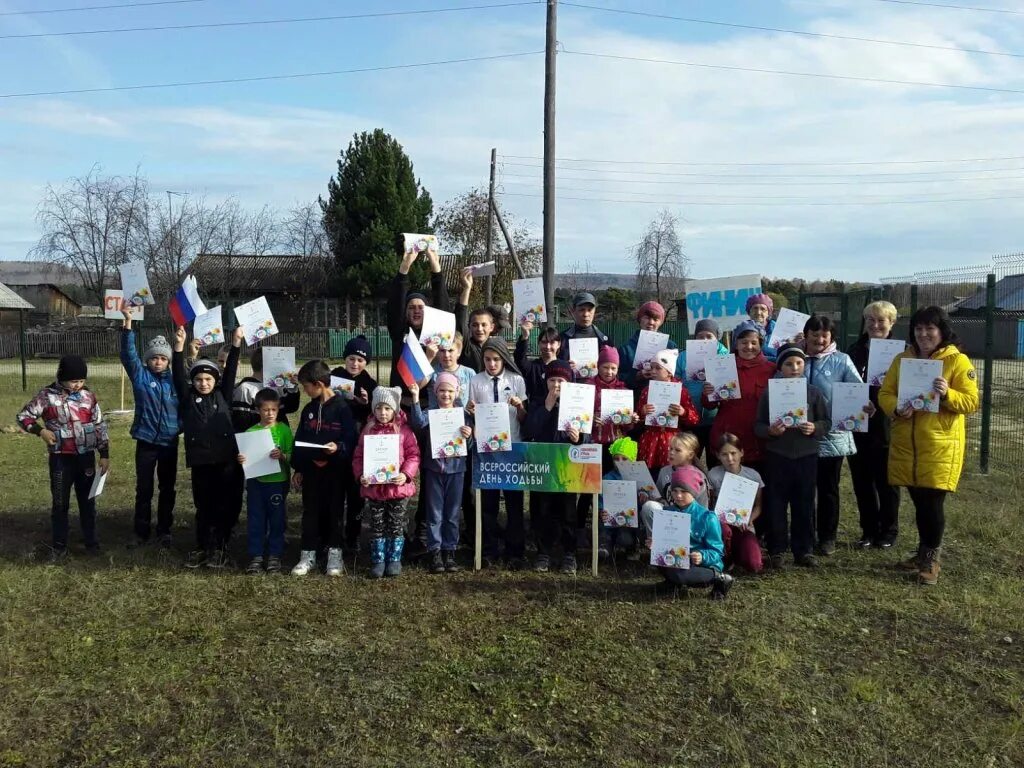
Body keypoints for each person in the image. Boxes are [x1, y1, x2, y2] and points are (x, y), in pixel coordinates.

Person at [878, 305, 978, 586]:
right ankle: (923, 552)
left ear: (942, 331)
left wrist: (947, 394)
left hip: (939, 444)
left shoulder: (958, 362)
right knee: (919, 501)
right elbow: (886, 393)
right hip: (906, 443)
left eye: (929, 329)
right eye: (919, 329)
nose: (923, 334)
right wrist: (896, 408)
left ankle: (931, 559)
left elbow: (971, 402)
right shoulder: (902, 359)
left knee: (932, 503)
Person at [17, 355, 109, 563]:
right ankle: (59, 546)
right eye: (73, 381)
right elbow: (24, 417)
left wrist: (104, 454)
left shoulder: (88, 397)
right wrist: (40, 431)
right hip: (61, 459)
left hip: (85, 457)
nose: (77, 385)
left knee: (88, 502)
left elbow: (100, 425)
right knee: (60, 504)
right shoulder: (47, 396)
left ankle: (91, 543)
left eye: (81, 381)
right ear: (62, 377)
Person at [172, 325, 243, 569]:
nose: (203, 383)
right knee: (204, 506)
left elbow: (231, 370)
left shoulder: (224, 394)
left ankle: (220, 548)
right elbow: (178, 377)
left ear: (216, 380)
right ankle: (203, 546)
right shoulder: (188, 397)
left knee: (224, 504)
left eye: (208, 379)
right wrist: (179, 348)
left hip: (226, 461)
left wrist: (235, 344)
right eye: (199, 379)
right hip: (201, 462)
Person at [754, 345, 831, 569]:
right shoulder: (770, 392)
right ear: (780, 367)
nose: (794, 368)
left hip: (807, 456)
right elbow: (758, 425)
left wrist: (814, 427)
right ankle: (777, 549)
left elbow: (826, 422)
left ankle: (803, 550)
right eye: (788, 364)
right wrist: (770, 431)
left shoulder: (814, 392)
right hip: (778, 456)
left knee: (804, 503)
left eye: (799, 363)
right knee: (776, 504)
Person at [802, 315, 865, 556]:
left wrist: (863, 406)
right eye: (814, 334)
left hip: (832, 436)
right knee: (805, 490)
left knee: (828, 488)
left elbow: (857, 392)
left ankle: (827, 537)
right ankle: (806, 534)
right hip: (801, 437)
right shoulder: (796, 359)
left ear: (831, 337)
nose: (819, 339)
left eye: (824, 335)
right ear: (806, 335)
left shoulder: (842, 361)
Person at [290, 360, 358, 578]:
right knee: (310, 512)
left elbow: (351, 439)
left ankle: (334, 554)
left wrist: (338, 447)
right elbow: (300, 439)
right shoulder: (308, 409)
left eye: (306, 387)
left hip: (336, 471)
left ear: (318, 384)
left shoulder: (342, 409)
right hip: (311, 471)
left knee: (335, 512)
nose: (305, 391)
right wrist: (298, 468)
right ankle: (308, 554)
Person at [119, 307, 179, 548]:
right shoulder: (140, 376)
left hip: (169, 442)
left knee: (167, 488)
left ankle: (164, 529)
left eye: (163, 358)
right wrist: (128, 322)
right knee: (144, 488)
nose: (158, 362)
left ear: (168, 361)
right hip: (146, 441)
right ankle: (140, 530)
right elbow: (128, 354)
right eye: (154, 357)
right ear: (148, 359)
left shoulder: (176, 381)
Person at [524, 359, 589, 574]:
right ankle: (543, 552)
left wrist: (578, 438)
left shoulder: (578, 404)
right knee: (542, 510)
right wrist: (547, 406)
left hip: (566, 467)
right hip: (543, 465)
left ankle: (569, 554)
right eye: (552, 380)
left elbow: (585, 438)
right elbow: (530, 429)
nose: (556, 385)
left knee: (568, 511)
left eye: (561, 380)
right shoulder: (538, 401)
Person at [467, 337, 528, 569]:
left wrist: (519, 406)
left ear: (504, 359)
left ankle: (515, 551)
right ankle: (489, 550)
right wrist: (471, 412)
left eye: (496, 359)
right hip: (487, 451)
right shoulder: (476, 381)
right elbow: (472, 414)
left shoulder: (516, 380)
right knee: (488, 503)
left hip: (512, 447)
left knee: (514, 503)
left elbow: (524, 418)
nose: (491, 364)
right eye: (487, 359)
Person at [846, 301, 903, 549]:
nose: (875, 324)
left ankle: (888, 531)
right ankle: (868, 530)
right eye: (870, 319)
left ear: (891, 323)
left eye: (881, 320)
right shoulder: (854, 350)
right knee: (862, 480)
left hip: (888, 424)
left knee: (887, 481)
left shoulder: (903, 353)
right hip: (858, 423)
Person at [353, 386, 421, 579]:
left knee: (396, 524)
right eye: (379, 408)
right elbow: (358, 456)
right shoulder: (367, 431)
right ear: (373, 409)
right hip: (374, 490)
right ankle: (378, 560)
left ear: (395, 410)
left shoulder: (405, 431)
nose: (383, 413)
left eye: (387, 409)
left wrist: (406, 474)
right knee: (377, 524)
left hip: (397, 489)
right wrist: (361, 476)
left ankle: (394, 559)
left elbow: (414, 455)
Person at [409, 374, 473, 573]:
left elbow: (469, 446)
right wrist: (415, 399)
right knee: (435, 512)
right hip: (434, 470)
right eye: (442, 390)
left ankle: (449, 550)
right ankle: (435, 550)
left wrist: (468, 435)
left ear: (457, 393)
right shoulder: (431, 412)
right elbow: (418, 423)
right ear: (435, 392)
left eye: (450, 391)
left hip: (457, 470)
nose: (446, 394)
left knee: (453, 512)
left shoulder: (463, 415)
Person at [640, 466, 733, 600]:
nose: (678, 496)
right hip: (680, 560)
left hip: (703, 565)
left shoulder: (707, 517)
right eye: (675, 491)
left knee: (679, 573)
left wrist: (702, 556)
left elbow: (717, 552)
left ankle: (720, 578)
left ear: (694, 492)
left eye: (684, 491)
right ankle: (672, 583)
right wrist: (656, 544)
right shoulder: (667, 513)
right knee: (659, 559)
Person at [702, 320, 775, 482]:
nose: (748, 347)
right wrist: (708, 393)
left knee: (758, 488)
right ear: (736, 344)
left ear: (760, 344)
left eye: (753, 343)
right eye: (743, 342)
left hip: (758, 440)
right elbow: (709, 405)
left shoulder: (770, 369)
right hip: (728, 438)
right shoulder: (723, 366)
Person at [236, 388, 294, 575]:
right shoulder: (251, 432)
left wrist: (283, 455)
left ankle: (275, 556)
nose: (269, 413)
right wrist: (242, 459)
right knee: (256, 518)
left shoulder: (284, 431)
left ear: (278, 410)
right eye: (265, 410)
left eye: (273, 410)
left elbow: (293, 456)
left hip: (277, 482)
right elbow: (246, 456)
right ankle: (256, 556)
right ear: (257, 410)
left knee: (276, 520)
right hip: (255, 483)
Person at [387, 235, 450, 399]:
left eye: (421, 308)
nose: (416, 311)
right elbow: (396, 303)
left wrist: (435, 266)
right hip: (402, 402)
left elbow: (442, 304)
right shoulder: (399, 332)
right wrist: (405, 266)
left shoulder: (434, 333)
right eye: (411, 307)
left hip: (429, 402)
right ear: (405, 312)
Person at [330, 335, 378, 552]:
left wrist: (366, 405)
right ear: (345, 358)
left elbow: (379, 416)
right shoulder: (334, 376)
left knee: (357, 494)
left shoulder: (371, 384)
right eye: (351, 358)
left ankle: (354, 536)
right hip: (334, 442)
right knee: (335, 493)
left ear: (366, 363)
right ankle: (333, 535)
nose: (355, 364)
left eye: (360, 360)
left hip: (359, 446)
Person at [635, 350, 700, 475]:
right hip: (650, 441)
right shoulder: (646, 391)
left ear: (669, 372)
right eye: (651, 367)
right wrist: (642, 412)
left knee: (670, 475)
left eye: (658, 368)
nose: (653, 371)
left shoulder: (681, 391)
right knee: (650, 476)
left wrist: (683, 412)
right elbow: (637, 419)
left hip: (672, 440)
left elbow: (695, 419)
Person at [707, 433, 764, 574]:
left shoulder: (753, 475)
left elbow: (758, 506)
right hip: (721, 527)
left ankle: (740, 554)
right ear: (718, 456)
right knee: (725, 532)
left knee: (754, 565)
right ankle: (725, 557)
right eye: (724, 454)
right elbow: (709, 504)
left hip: (743, 526)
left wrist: (750, 519)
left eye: (733, 453)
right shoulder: (713, 475)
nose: (730, 459)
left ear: (742, 453)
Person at [676, 318, 728, 460]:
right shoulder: (683, 356)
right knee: (691, 458)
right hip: (690, 417)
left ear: (717, 338)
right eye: (700, 336)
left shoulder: (725, 357)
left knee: (715, 459)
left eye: (709, 336)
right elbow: (676, 379)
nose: (704, 340)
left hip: (715, 419)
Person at [617, 300, 675, 393]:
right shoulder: (626, 348)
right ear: (640, 319)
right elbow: (618, 377)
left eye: (656, 319)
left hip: (663, 399)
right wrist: (636, 376)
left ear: (661, 322)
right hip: (636, 400)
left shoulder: (670, 347)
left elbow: (677, 376)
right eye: (647, 318)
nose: (651, 322)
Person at [597, 437, 640, 560]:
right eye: (616, 459)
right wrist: (601, 511)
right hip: (610, 520)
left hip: (630, 521)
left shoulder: (638, 477)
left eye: (624, 458)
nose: (619, 462)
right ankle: (605, 544)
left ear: (633, 459)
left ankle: (632, 546)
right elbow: (601, 499)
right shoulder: (607, 478)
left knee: (625, 538)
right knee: (605, 527)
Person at [454, 268, 493, 373]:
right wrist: (467, 288)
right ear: (469, 326)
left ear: (491, 327)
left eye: (484, 325)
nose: (479, 329)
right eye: (475, 325)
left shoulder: (496, 348)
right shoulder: (467, 347)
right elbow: (460, 320)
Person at [558, 291, 611, 363]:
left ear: (595, 311)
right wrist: (565, 367)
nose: (586, 314)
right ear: (573, 311)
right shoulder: (562, 339)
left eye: (589, 310)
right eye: (581, 310)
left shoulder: (604, 341)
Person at [515, 322, 562, 404]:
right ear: (539, 343)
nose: (548, 347)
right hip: (536, 413)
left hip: (558, 414)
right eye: (544, 342)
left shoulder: (564, 368)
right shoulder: (532, 367)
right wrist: (525, 336)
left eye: (552, 343)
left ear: (558, 344)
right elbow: (519, 358)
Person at [738, 293, 780, 360]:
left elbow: (787, 356)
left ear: (768, 313)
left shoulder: (779, 330)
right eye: (755, 308)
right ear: (749, 311)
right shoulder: (741, 331)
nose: (758, 312)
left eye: (763, 309)